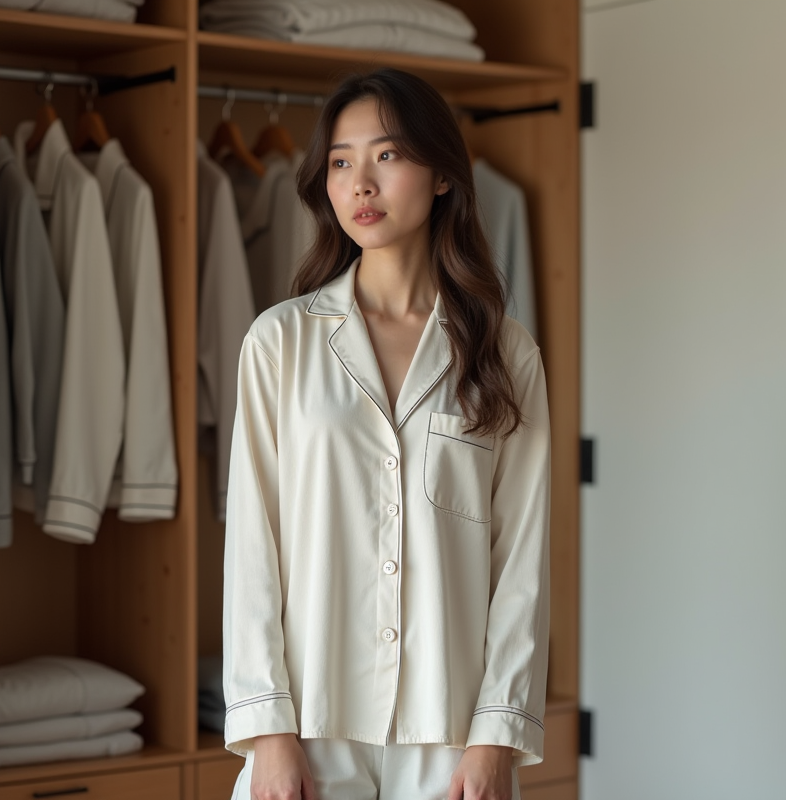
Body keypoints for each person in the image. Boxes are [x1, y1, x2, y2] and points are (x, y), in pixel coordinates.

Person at [222, 67, 551, 800]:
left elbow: (522, 562)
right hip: (308, 731)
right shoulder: (280, 343)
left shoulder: (506, 353)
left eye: (388, 156)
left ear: (441, 175)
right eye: (341, 162)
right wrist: (269, 736)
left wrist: (496, 738)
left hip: (454, 738)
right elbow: (252, 548)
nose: (360, 183)